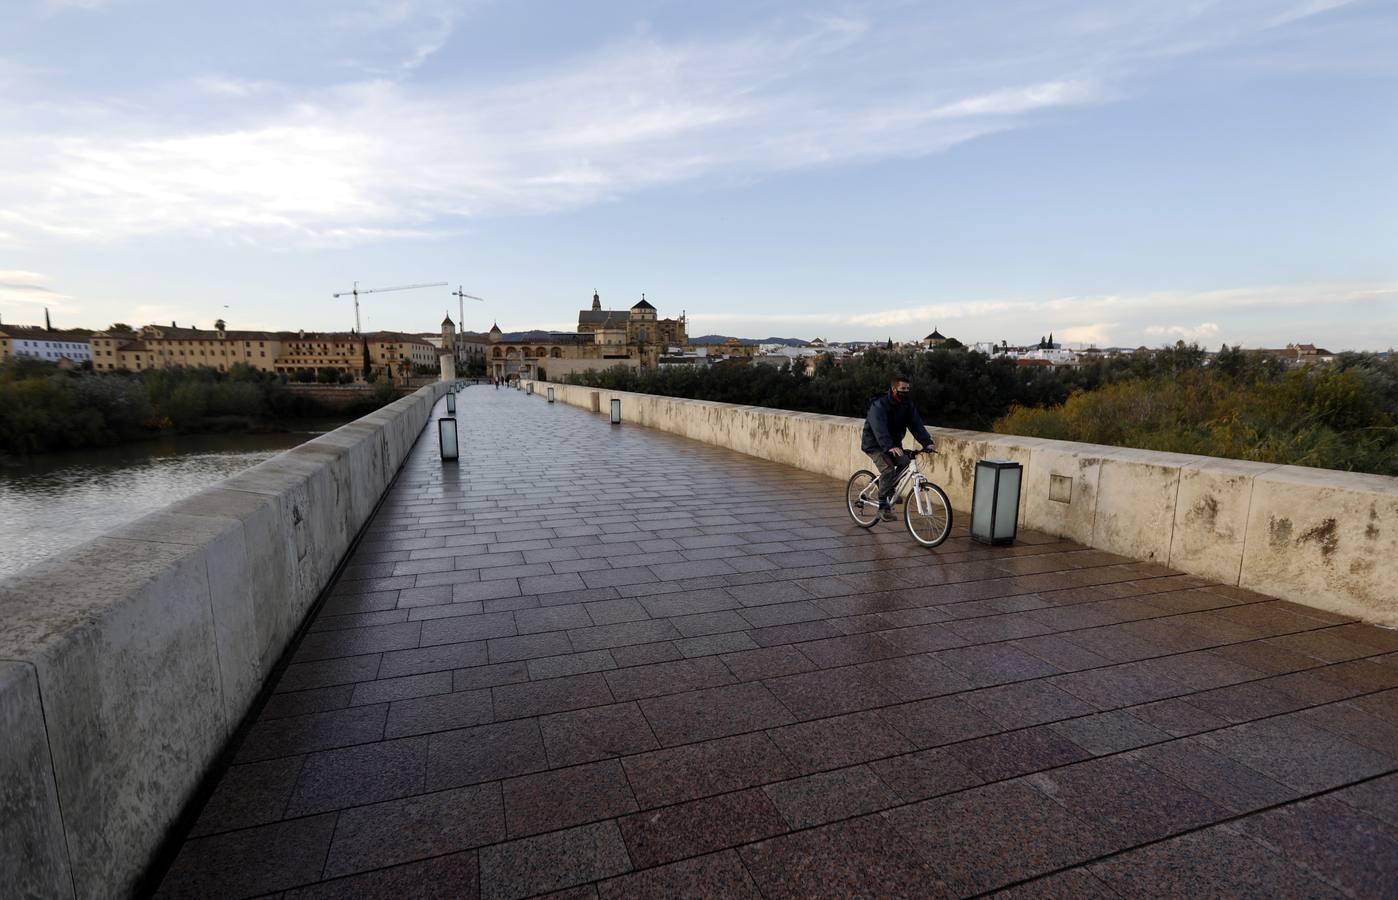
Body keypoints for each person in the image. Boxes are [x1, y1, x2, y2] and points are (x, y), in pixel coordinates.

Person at [861, 373, 936, 521]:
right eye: (903, 388)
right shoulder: (880, 404)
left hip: (892, 444)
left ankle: (888, 488)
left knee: (905, 462)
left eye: (908, 388)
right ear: (894, 389)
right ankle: (883, 507)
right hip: (875, 444)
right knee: (888, 469)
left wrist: (927, 442)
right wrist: (888, 445)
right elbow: (879, 427)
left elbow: (916, 424)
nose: (906, 391)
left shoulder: (907, 405)